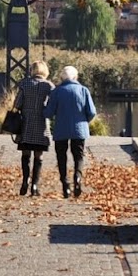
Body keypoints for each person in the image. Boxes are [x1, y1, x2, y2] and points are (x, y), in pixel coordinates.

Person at [45, 64, 96, 198]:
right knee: (78, 156)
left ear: (62, 78)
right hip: (79, 129)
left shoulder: (56, 91)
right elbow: (91, 112)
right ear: (75, 77)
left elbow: (49, 113)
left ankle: (65, 185)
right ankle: (77, 177)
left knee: (61, 157)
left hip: (61, 129)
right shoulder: (83, 90)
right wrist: (84, 121)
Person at [11, 60, 54, 196]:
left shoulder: (25, 84)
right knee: (38, 155)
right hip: (41, 124)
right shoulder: (49, 86)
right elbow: (53, 106)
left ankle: (25, 182)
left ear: (32, 70)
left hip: (26, 123)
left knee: (25, 154)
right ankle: (35, 185)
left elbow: (17, 104)